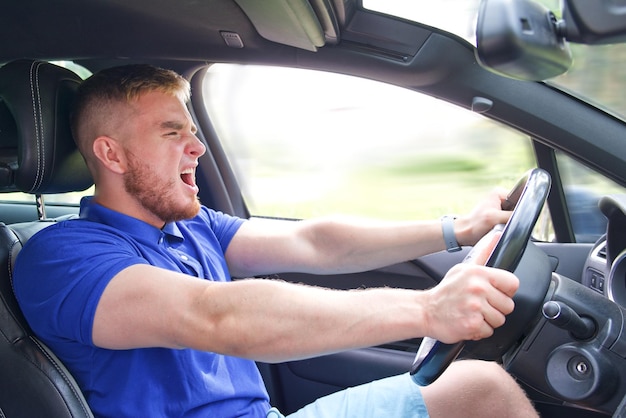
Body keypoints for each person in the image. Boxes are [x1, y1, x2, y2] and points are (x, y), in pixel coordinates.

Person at [13, 64, 538, 418]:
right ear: (112, 154)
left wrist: (458, 229)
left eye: (194, 130)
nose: (196, 146)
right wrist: (428, 309)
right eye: (173, 133)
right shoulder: (62, 255)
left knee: (479, 389)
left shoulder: (191, 226)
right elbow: (216, 317)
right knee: (482, 389)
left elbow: (317, 244)